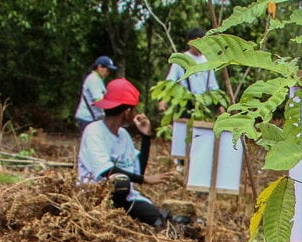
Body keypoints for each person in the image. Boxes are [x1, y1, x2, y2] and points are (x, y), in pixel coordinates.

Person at [77, 78, 174, 228]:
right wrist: (144, 179)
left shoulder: (123, 135)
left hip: (127, 197)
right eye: (133, 109)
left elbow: (136, 169)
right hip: (96, 194)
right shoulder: (94, 131)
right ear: (127, 111)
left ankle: (127, 217)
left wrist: (146, 137)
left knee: (160, 220)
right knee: (120, 182)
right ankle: (108, 220)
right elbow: (106, 171)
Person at [158, 27, 223, 116]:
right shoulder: (180, 60)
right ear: (190, 43)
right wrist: (164, 99)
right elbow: (170, 81)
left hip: (203, 105)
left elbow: (213, 86)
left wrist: (220, 106)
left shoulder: (208, 61)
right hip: (185, 104)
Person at [75, 55, 117, 132]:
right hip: (87, 118)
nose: (108, 73)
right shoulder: (93, 79)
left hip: (92, 118)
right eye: (107, 70)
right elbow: (99, 101)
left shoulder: (98, 79)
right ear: (99, 67)